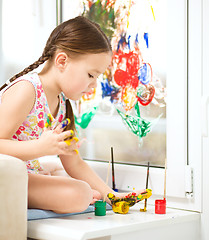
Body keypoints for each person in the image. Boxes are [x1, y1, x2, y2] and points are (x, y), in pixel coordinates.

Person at [0, 16, 144, 213]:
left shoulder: (62, 104)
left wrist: (110, 195)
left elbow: (73, 161)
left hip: (23, 176)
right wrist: (39, 147)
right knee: (80, 194)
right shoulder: (27, 90)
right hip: (7, 177)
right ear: (62, 61)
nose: (94, 85)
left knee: (79, 188)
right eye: (91, 75)